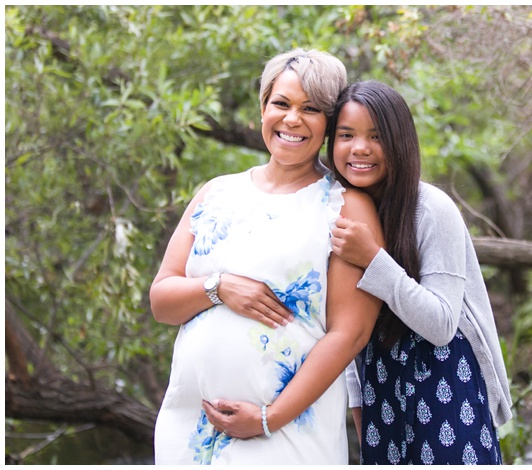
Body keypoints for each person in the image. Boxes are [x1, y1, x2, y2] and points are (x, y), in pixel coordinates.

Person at [150, 50, 384, 465]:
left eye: (310, 109)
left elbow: (350, 334)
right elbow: (162, 301)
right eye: (281, 103)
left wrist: (266, 418)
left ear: (328, 124)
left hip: (287, 434)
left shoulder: (343, 206)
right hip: (189, 430)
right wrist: (217, 287)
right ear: (263, 109)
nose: (292, 119)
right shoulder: (215, 192)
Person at [326, 80, 513, 465]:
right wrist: (362, 411)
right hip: (382, 390)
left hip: (446, 381)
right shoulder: (336, 212)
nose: (359, 148)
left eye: (375, 136)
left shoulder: (431, 209)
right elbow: (345, 327)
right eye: (346, 135)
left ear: (399, 143)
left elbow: (442, 324)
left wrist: (373, 258)